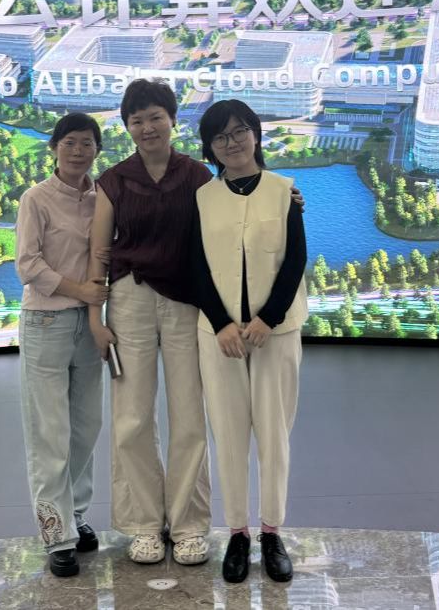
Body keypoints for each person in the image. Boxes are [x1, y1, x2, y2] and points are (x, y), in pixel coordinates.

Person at [87, 79, 215, 566]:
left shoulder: (198, 176)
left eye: (155, 117)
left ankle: (188, 525)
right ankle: (143, 524)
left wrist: (288, 202)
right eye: (136, 120)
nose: (147, 127)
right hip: (129, 301)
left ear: (173, 120)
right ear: (127, 127)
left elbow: (227, 228)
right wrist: (96, 318)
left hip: (186, 303)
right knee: (132, 416)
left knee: (190, 414)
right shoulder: (114, 181)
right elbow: (99, 253)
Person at [190, 98, 308, 584]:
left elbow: (295, 260)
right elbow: (195, 265)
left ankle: (272, 532)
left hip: (275, 333)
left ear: (255, 134)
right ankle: (237, 533)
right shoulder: (202, 198)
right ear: (210, 147)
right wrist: (221, 323)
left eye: (240, 131)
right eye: (220, 136)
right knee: (229, 435)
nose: (232, 142)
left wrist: (267, 319)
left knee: (274, 434)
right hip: (219, 336)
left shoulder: (284, 192)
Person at [15, 112, 109, 578]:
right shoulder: (36, 198)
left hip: (89, 326)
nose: (78, 151)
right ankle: (57, 536)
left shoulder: (102, 198)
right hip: (46, 323)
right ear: (54, 147)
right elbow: (28, 265)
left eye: (86, 143)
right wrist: (82, 291)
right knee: (50, 433)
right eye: (69, 142)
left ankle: (76, 513)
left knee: (86, 427)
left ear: (97, 150)